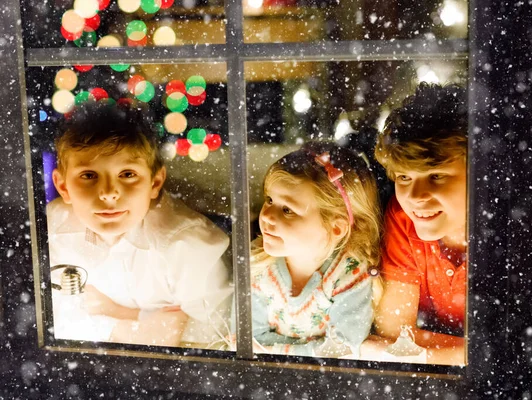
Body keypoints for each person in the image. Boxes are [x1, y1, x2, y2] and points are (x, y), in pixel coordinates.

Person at [48, 103, 232, 347]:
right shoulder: (50, 228)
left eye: (127, 174)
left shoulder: (186, 246)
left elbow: (215, 335)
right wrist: (134, 328)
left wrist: (114, 312)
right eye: (89, 175)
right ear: (63, 187)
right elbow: (52, 321)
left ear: (155, 183)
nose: (109, 193)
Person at [248, 141, 381, 357]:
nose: (267, 216)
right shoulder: (259, 264)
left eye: (287, 210)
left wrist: (273, 350)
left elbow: (342, 349)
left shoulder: (349, 273)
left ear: (336, 228)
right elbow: (245, 339)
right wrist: (308, 351)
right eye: (269, 200)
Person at [371, 82, 467, 365]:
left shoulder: (504, 229)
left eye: (436, 176)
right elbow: (396, 334)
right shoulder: (402, 219)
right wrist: (468, 352)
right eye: (404, 178)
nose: (414, 197)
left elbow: (507, 347)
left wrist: (435, 351)